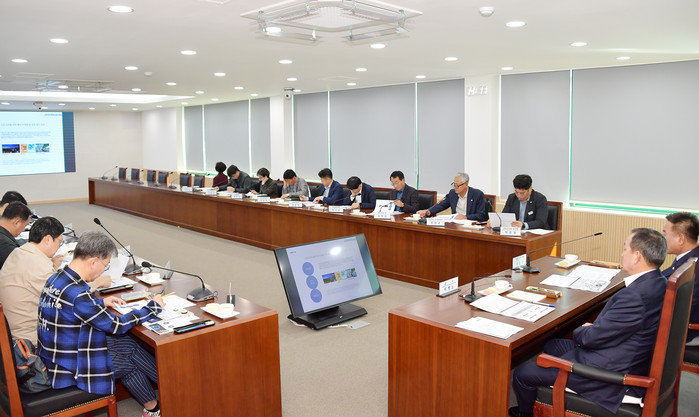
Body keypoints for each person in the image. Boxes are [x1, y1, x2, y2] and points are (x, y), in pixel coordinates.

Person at [510, 228, 668, 417]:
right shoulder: (659, 282)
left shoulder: (635, 297)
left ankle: (525, 414)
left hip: (609, 375)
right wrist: (596, 329)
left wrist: (584, 329)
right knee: (552, 345)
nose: (621, 254)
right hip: (622, 352)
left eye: (625, 249)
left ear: (636, 256)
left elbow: (589, 339)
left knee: (523, 373)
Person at [37, 231, 165, 417]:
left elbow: (71, 307)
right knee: (127, 360)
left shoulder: (57, 278)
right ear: (93, 261)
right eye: (105, 266)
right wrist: (152, 308)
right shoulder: (78, 294)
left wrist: (100, 302)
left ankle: (161, 397)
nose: (104, 271)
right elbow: (116, 325)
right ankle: (166, 396)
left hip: (55, 355)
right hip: (70, 368)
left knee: (128, 344)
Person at [0, 217, 66, 343]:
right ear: (47, 239)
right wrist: (97, 283)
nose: (59, 247)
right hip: (29, 339)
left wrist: (52, 266)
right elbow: (66, 297)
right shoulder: (39, 265)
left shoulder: (18, 252)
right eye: (59, 242)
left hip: (10, 331)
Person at [661, 211, 699, 341]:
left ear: (681, 238)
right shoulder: (689, 257)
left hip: (684, 334)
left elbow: (682, 310)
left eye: (665, 234)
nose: (662, 239)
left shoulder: (693, 267)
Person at [417, 172, 486, 221]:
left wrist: (465, 217)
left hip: (471, 226)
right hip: (455, 224)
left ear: (466, 184)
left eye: (458, 185)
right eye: (454, 185)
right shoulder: (453, 193)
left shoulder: (477, 194)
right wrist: (428, 212)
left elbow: (481, 215)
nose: (455, 187)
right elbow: (441, 205)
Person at [0, 201, 32, 270]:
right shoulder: (6, 245)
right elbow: (23, 268)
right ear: (17, 222)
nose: (23, 229)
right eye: (24, 225)